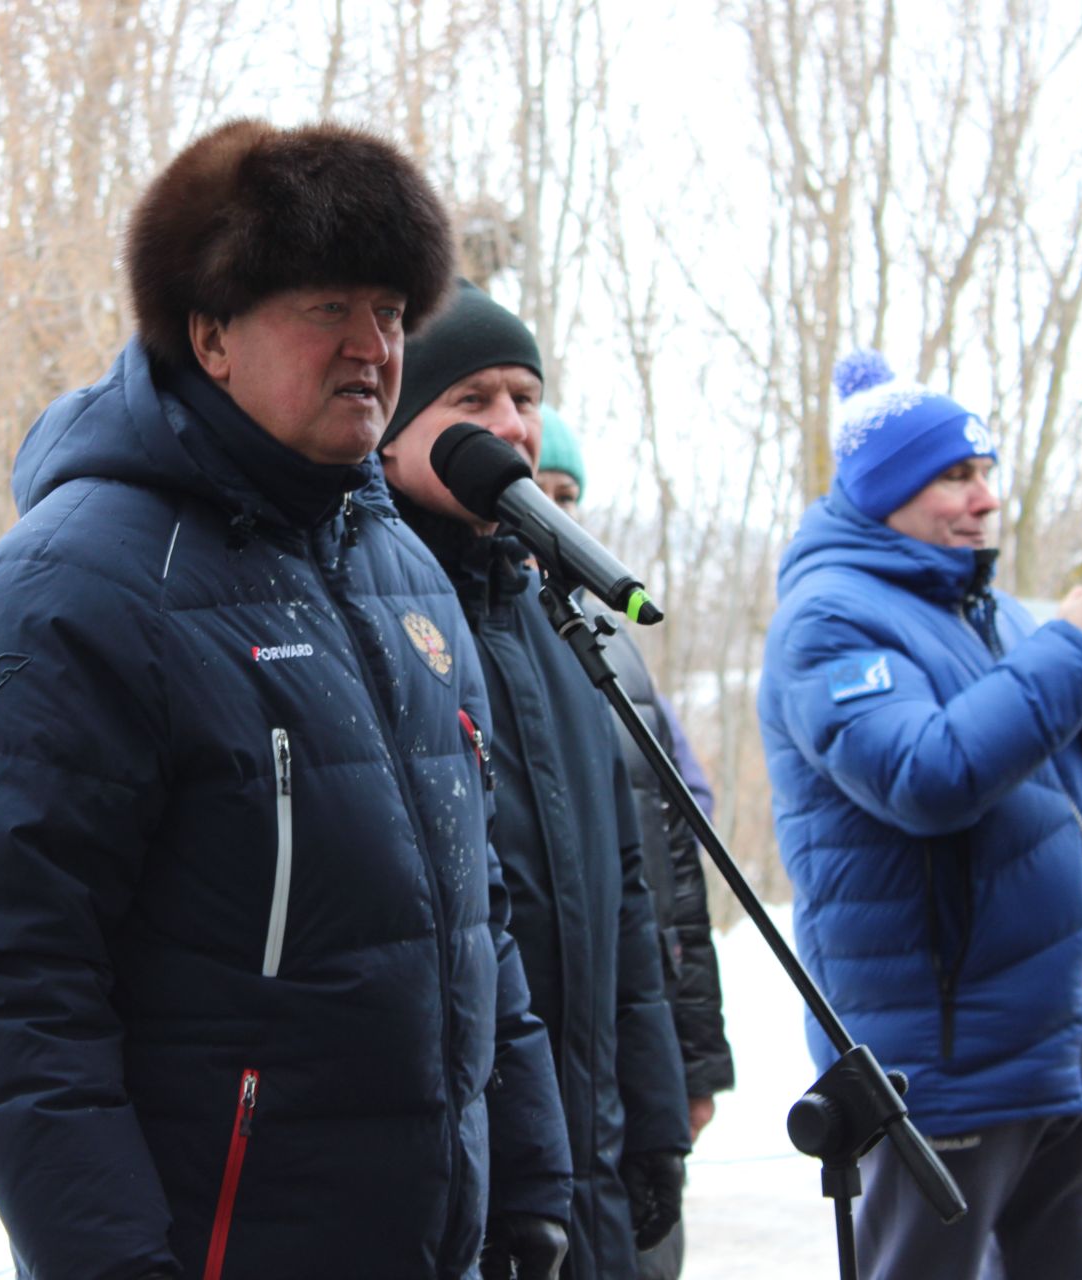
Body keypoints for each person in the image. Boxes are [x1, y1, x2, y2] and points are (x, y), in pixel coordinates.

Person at [0, 123, 574, 1280]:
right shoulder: (71, 588)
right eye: (328, 308)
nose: (374, 347)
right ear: (211, 333)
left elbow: (475, 912)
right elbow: (9, 976)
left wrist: (531, 1183)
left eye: (390, 310)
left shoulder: (405, 570)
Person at [758, 349, 1082, 1279]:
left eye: (987, 473)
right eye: (954, 477)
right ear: (886, 489)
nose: (984, 499)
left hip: (1062, 1060)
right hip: (934, 1076)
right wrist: (1072, 654)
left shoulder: (1001, 617)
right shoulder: (830, 620)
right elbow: (926, 778)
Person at [378, 279, 691, 1280]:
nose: (513, 426)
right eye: (472, 401)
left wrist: (652, 1115)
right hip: (464, 1178)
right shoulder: (370, 610)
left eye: (525, 396)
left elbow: (625, 891)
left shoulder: (560, 624)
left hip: (590, 1156)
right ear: (386, 425)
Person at [535, 407, 736, 1280]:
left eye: (565, 495)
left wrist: (694, 1062)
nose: (546, 510)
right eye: (530, 488)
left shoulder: (610, 641)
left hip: (636, 1043)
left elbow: (673, 866)